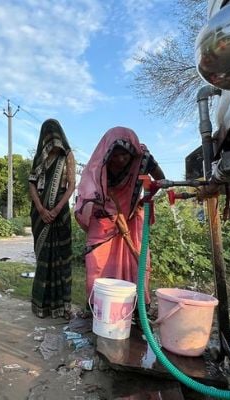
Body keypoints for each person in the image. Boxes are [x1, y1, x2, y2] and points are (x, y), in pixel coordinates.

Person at [74, 127, 165, 310]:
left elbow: (160, 179)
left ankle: (138, 308)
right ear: (108, 153)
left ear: (133, 152)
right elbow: (88, 193)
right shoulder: (97, 167)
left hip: (131, 217)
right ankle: (97, 307)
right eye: (116, 156)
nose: (121, 160)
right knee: (97, 261)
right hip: (105, 218)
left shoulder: (143, 158)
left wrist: (146, 196)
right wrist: (107, 208)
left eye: (125, 155)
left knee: (136, 261)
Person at [28, 119, 76, 319]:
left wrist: (56, 209)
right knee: (44, 260)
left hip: (60, 211)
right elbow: (31, 183)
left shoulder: (68, 156)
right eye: (49, 135)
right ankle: (42, 305)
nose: (52, 139)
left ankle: (62, 306)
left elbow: (72, 185)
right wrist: (41, 209)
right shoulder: (40, 157)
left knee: (61, 258)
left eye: (55, 134)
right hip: (40, 213)